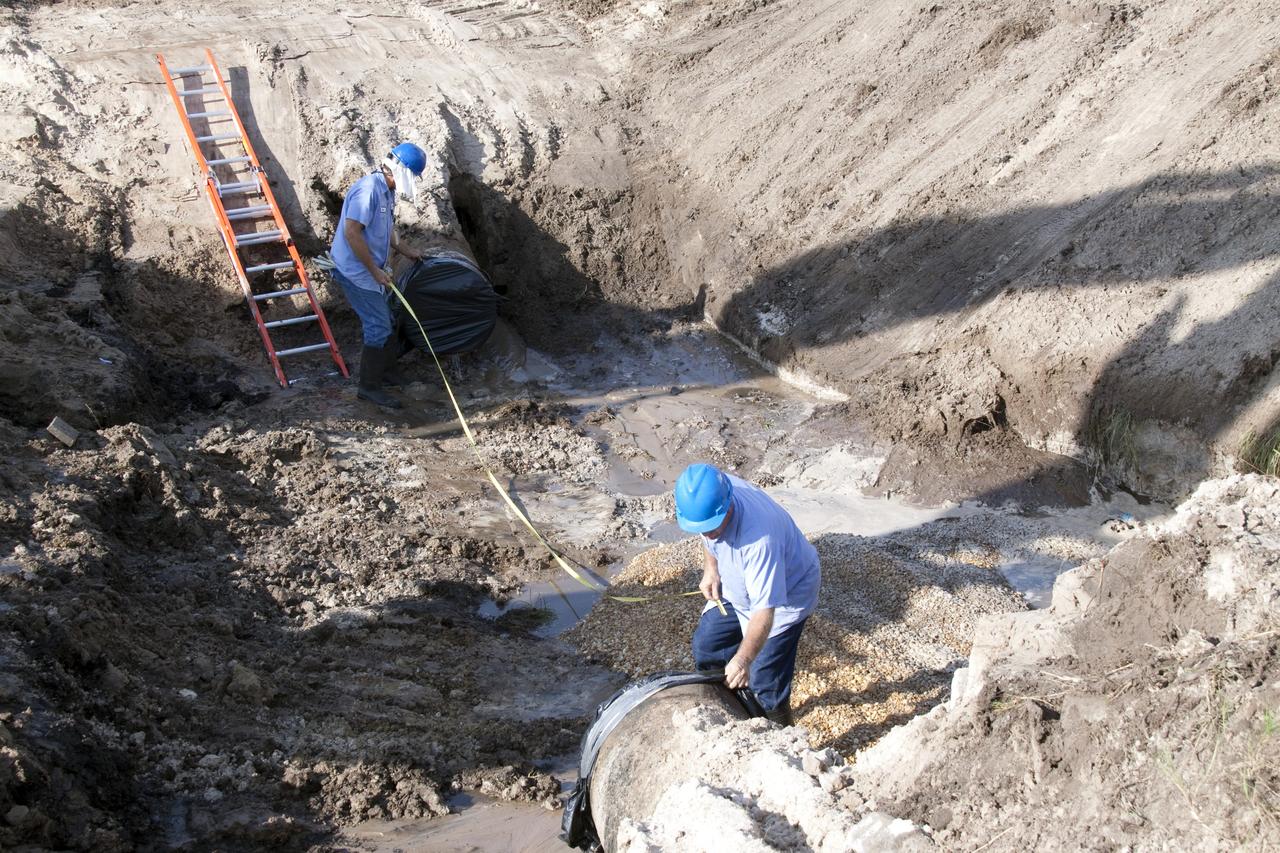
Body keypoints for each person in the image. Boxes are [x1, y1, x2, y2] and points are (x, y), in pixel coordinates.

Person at [674, 462, 820, 726]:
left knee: (765, 681)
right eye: (701, 527)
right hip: (737, 582)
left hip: (786, 595)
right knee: (708, 646)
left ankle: (781, 735)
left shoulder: (760, 541)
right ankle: (728, 708)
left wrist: (742, 661)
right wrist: (712, 569)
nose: (707, 533)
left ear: (728, 504)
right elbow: (707, 534)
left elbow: (764, 614)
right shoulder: (714, 489)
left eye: (713, 525)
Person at [329, 142, 428, 409]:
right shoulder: (369, 189)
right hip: (355, 271)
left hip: (371, 269)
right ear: (402, 171)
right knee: (378, 326)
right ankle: (369, 388)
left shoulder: (387, 191)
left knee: (391, 318)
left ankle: (387, 371)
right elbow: (352, 232)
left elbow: (386, 227)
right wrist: (375, 271)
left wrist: (405, 250)